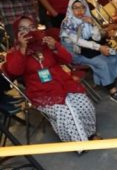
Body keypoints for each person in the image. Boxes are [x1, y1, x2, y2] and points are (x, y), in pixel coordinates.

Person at [5, 16, 99, 144]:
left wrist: (55, 46)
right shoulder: (14, 52)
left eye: (31, 27)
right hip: (41, 92)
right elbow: (15, 71)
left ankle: (90, 133)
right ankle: (79, 143)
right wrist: (22, 49)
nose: (29, 31)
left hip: (63, 84)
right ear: (17, 34)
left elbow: (68, 59)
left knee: (83, 103)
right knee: (65, 112)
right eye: (23, 29)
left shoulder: (46, 44)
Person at [59, 0, 117, 103]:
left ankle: (107, 79)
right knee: (102, 63)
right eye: (75, 8)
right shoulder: (67, 22)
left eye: (82, 7)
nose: (79, 11)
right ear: (70, 9)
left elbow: (97, 38)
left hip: (89, 48)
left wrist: (92, 24)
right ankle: (112, 90)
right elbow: (78, 42)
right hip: (75, 52)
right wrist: (99, 48)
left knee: (115, 54)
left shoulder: (87, 18)